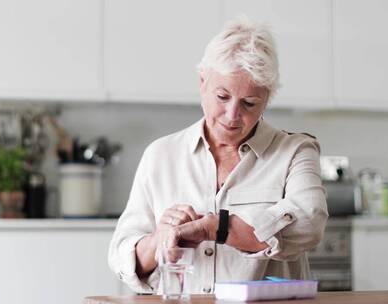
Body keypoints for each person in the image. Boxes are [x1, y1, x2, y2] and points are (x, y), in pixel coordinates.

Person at [108, 15, 328, 295]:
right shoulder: (160, 155)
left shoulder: (295, 152)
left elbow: (308, 224)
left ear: (268, 98)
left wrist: (216, 228)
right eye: (222, 97)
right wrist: (160, 240)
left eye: (249, 103)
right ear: (202, 82)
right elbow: (122, 257)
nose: (232, 116)